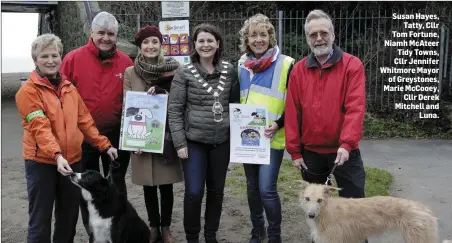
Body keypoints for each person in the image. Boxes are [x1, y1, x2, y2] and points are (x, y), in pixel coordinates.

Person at [15, 33, 118, 243]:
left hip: (72, 162)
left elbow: (85, 121)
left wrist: (104, 145)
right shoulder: (28, 91)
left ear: (61, 58)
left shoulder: (70, 88)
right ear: (35, 60)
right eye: (44, 56)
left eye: (55, 55)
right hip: (41, 163)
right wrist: (56, 155)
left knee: (68, 219)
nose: (51, 60)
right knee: (40, 220)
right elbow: (40, 128)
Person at [284, 9, 367, 241]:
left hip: (345, 153)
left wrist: (347, 143)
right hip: (311, 155)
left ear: (333, 33)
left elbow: (355, 107)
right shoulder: (299, 70)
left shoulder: (352, 65)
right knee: (317, 216)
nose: (319, 38)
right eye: (313, 34)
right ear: (307, 38)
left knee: (355, 210)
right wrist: (294, 150)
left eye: (323, 32)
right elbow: (292, 112)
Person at [60, 11, 133, 239]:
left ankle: (118, 232)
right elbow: (60, 96)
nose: (105, 38)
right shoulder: (73, 59)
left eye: (110, 34)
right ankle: (95, 234)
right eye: (100, 33)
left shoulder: (126, 62)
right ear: (91, 33)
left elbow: (135, 98)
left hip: (117, 137)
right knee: (86, 190)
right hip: (84, 139)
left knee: (117, 187)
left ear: (116, 36)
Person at [168, 23, 240, 243]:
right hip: (194, 143)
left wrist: (238, 144)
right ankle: (192, 237)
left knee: (216, 191)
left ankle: (211, 236)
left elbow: (235, 107)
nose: (206, 45)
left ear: (218, 43)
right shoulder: (184, 72)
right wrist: (180, 143)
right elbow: (175, 109)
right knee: (194, 192)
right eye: (201, 41)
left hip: (222, 143)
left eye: (210, 40)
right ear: (194, 45)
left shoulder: (230, 71)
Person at [237, 13, 295, 243]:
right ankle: (257, 228)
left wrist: (279, 123)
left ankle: (274, 234)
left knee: (266, 189)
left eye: (263, 34)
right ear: (247, 39)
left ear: (270, 37)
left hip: (273, 138)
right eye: (253, 35)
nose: (258, 39)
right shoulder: (241, 65)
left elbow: (295, 103)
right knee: (252, 188)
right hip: (247, 138)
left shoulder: (287, 64)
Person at [123, 25, 183, 243]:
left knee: (166, 185)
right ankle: (153, 227)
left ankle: (166, 227)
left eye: (154, 42)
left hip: (165, 136)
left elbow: (179, 101)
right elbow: (127, 105)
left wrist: (163, 93)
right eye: (146, 43)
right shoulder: (131, 72)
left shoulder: (174, 70)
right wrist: (133, 140)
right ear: (140, 47)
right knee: (148, 185)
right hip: (140, 136)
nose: (150, 46)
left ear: (160, 45)